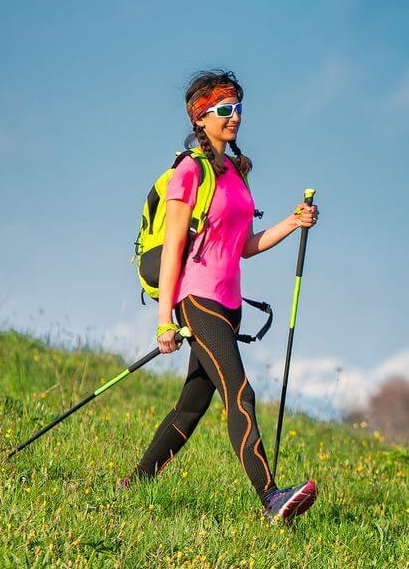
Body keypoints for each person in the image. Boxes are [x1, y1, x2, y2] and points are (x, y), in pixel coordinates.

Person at [121, 70, 320, 522]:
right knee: (240, 392)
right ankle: (270, 498)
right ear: (201, 117)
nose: (235, 118)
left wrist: (293, 221)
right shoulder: (189, 171)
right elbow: (173, 249)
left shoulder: (237, 173)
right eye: (225, 110)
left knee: (191, 406)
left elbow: (245, 246)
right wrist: (164, 319)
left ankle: (134, 484)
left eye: (238, 109)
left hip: (230, 305)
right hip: (198, 299)